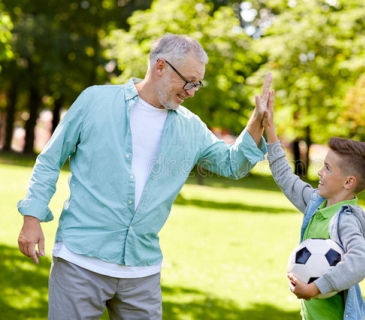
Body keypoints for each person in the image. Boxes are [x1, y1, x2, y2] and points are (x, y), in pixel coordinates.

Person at [17, 34, 273, 320]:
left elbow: (232, 164)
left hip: (142, 271)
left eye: (197, 84)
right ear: (161, 66)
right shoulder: (95, 100)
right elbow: (50, 160)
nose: (191, 92)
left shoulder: (190, 127)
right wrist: (32, 217)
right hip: (80, 261)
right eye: (188, 81)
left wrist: (257, 121)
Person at [260, 90, 365, 319]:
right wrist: (270, 129)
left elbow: (362, 260)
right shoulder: (317, 203)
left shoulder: (346, 221)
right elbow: (286, 178)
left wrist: (315, 288)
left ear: (349, 182)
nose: (320, 172)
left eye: (327, 168)